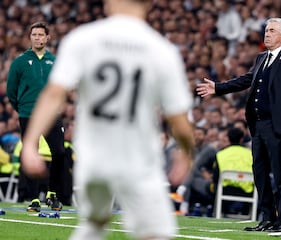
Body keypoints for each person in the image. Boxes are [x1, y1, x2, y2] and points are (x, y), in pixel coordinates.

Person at [20, 1, 194, 240]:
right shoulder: (161, 50)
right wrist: (186, 152)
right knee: (156, 234)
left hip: (93, 159)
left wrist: (30, 143)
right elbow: (179, 118)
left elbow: (54, 95)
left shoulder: (83, 39)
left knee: (94, 224)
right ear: (149, 3)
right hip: (138, 158)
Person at [196, 18, 281, 232]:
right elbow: (246, 80)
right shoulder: (261, 57)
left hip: (277, 125)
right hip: (258, 125)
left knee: (280, 173)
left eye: (272, 31)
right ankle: (267, 218)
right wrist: (218, 87)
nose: (267, 34)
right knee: (260, 172)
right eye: (266, 30)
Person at [6, 21, 65, 211]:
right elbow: (11, 90)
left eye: (41, 35)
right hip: (28, 113)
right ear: (30, 37)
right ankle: (33, 198)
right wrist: (22, 107)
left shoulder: (55, 61)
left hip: (51, 114)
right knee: (29, 152)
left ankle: (52, 194)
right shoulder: (20, 62)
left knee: (59, 152)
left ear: (48, 38)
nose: (38, 38)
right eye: (34, 35)